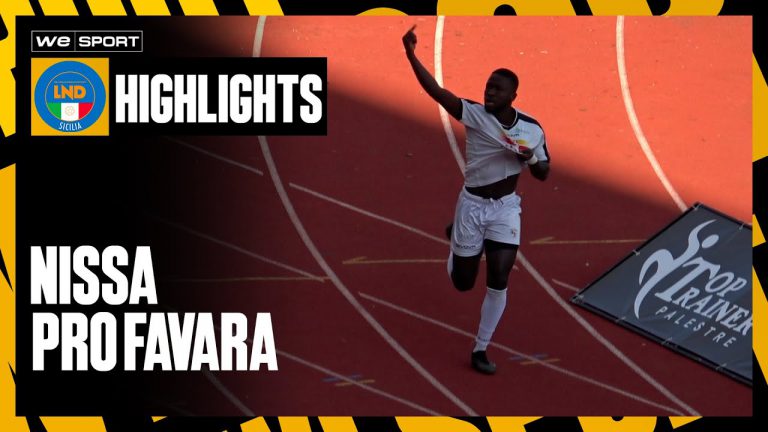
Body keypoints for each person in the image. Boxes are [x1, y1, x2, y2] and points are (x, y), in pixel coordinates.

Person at [402, 25, 550, 374]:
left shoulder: (532, 129)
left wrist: (530, 157)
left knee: (499, 275)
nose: (489, 92)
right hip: (472, 206)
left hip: (505, 209)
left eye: (497, 89)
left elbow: (544, 172)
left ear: (513, 95)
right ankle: (456, 241)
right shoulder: (474, 114)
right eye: (488, 86)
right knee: (463, 283)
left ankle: (481, 348)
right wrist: (411, 55)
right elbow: (437, 92)